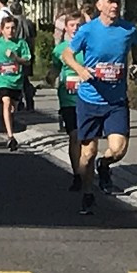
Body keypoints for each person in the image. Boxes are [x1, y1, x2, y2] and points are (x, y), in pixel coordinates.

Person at [61, 0, 137, 216]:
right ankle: (88, 193)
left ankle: (105, 166)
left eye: (118, 0)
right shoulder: (88, 30)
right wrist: (80, 68)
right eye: (110, 0)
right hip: (89, 99)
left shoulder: (128, 29)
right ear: (99, 5)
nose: (115, 5)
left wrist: (136, 64)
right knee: (87, 154)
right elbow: (67, 54)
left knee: (118, 149)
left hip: (115, 101)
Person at [50, 11, 86, 190]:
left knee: (87, 139)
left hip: (87, 99)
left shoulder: (89, 47)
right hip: (68, 100)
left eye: (79, 25)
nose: (75, 29)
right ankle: (77, 173)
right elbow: (54, 69)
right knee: (74, 136)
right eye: (72, 25)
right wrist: (48, 78)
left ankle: (86, 167)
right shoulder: (60, 49)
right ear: (66, 28)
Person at [0, 14, 31, 151]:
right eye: (7, 28)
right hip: (3, 79)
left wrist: (16, 58)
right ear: (2, 29)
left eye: (13, 28)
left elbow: (27, 60)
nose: (10, 31)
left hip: (16, 80)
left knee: (12, 107)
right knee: (6, 102)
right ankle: (10, 136)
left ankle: (11, 126)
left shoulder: (21, 43)